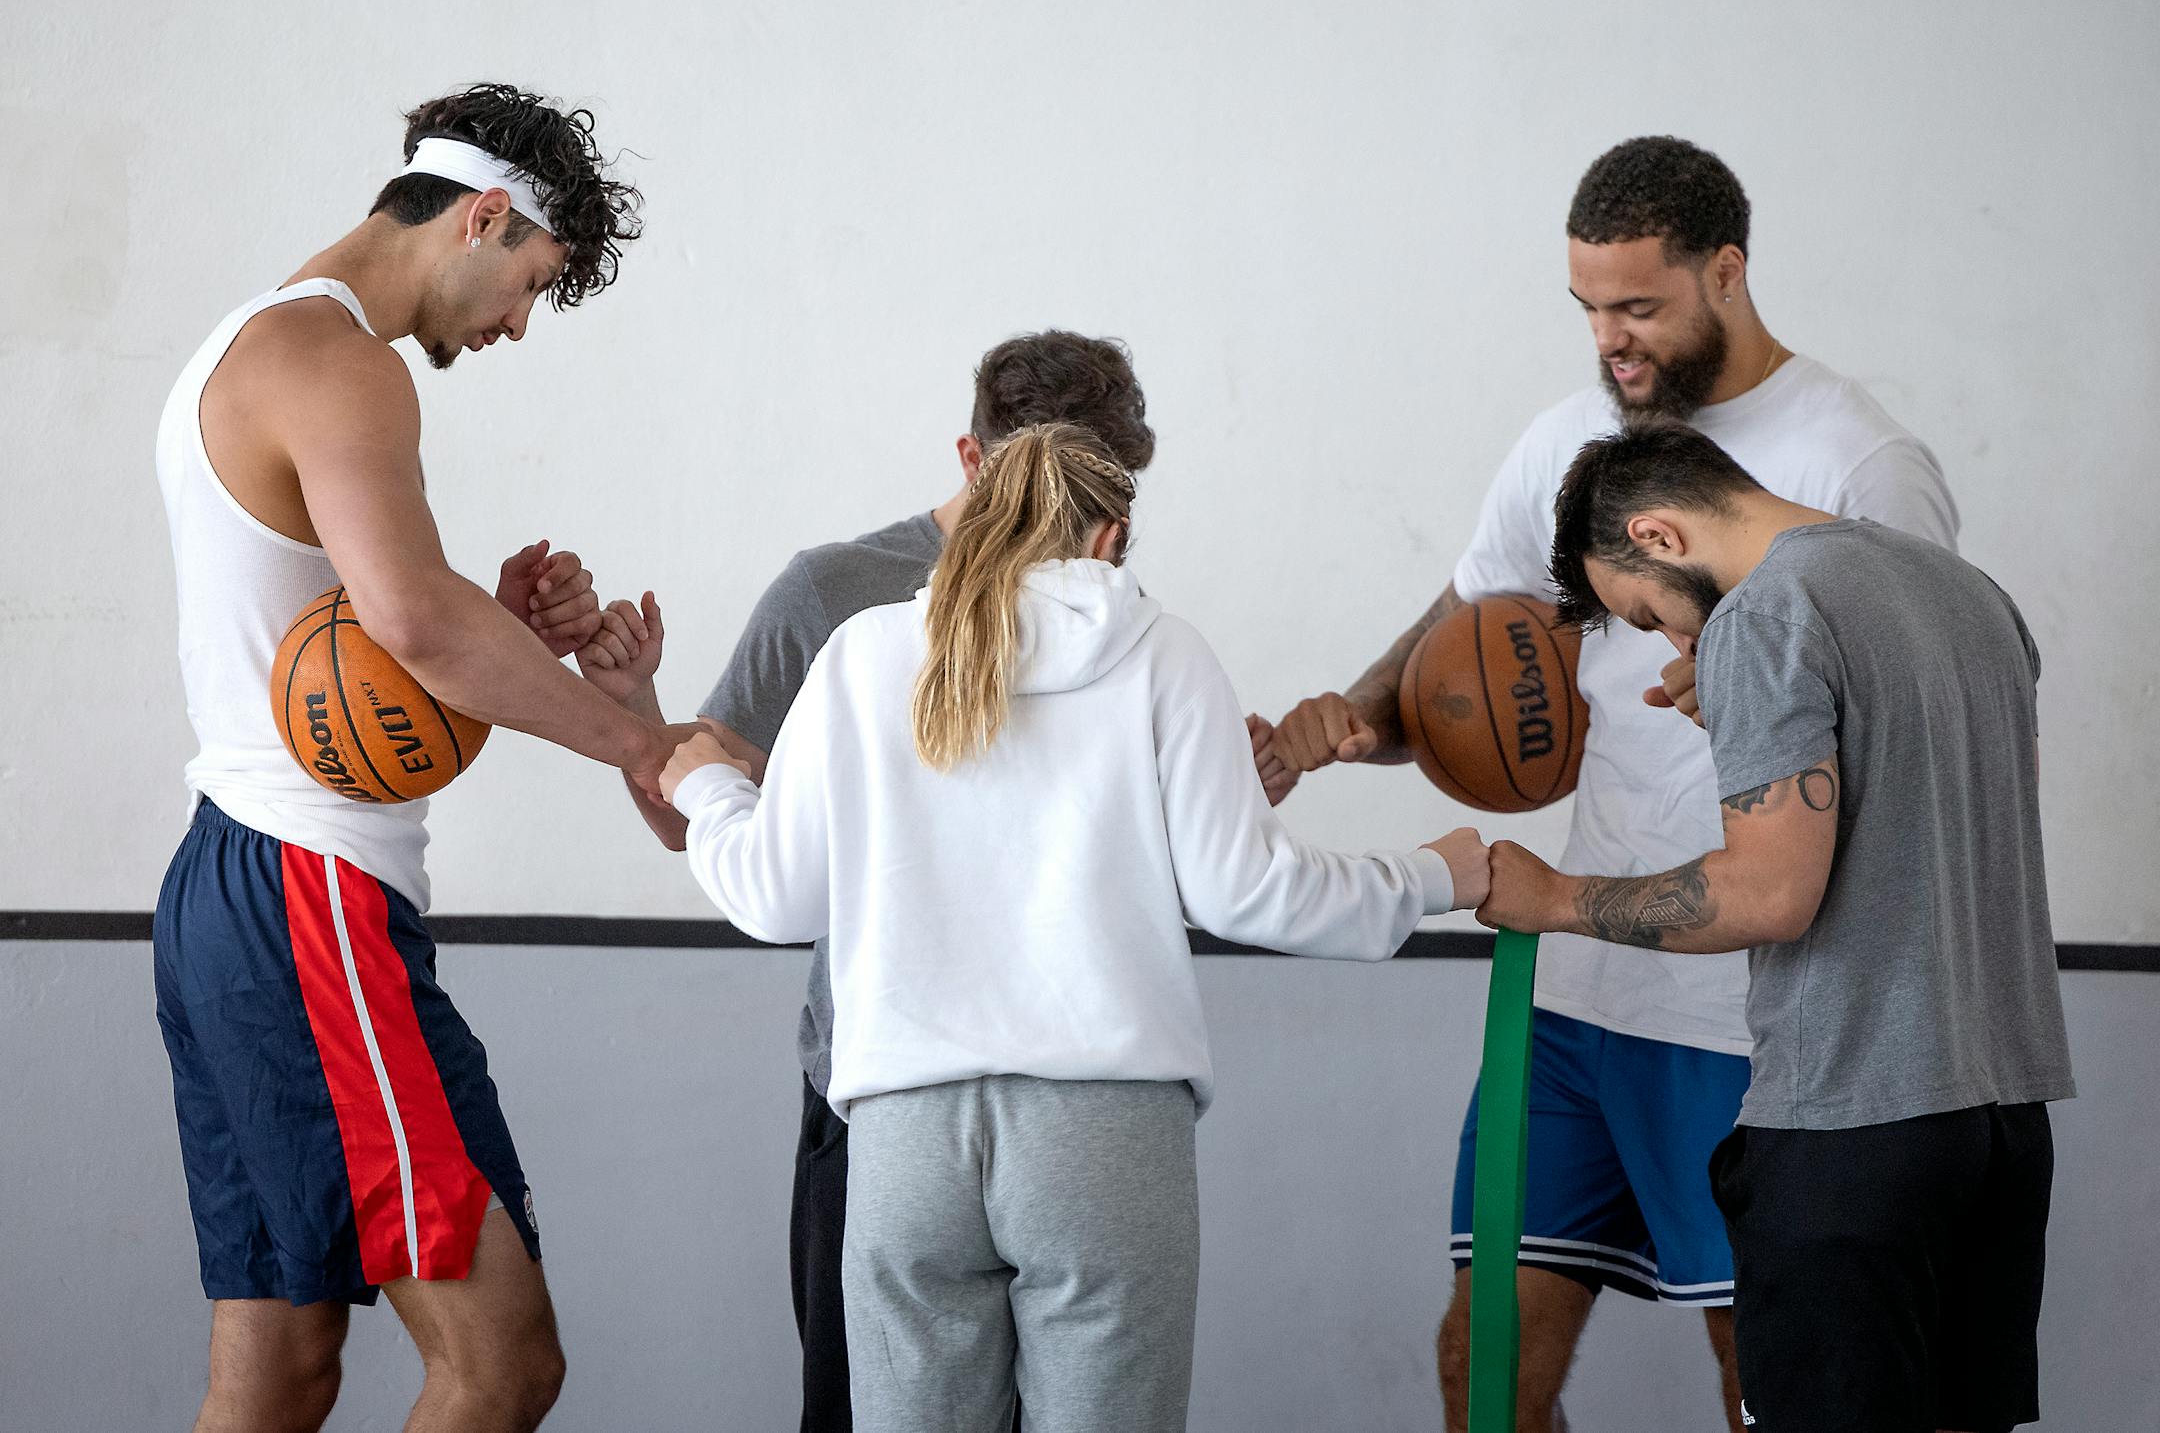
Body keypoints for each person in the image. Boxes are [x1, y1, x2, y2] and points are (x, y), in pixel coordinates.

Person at [1254, 136, 1959, 1430]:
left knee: (1769, 1383)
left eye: (1638, 306)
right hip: (1574, 998)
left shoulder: (1856, 463)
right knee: (1485, 1367)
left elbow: (1916, 719)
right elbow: (1473, 638)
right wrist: (1347, 724)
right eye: (1588, 308)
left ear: (1727, 271)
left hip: (1758, 1020)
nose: (1611, 341)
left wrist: (1753, 686)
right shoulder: (1570, 436)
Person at [643, 422, 1491, 1433]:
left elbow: (774, 897)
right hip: (1103, 1132)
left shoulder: (863, 655)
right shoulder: (1162, 653)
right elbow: (1248, 890)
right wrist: (1436, 874)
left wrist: (710, 796)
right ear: (1107, 537)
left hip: (904, 1137)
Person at [152, 82, 692, 1433]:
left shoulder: (248, 346)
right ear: (484, 216)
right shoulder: (342, 360)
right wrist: (642, 744)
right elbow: (405, 620)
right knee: (503, 1362)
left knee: (277, 1374)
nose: (515, 324)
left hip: (230, 883)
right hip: (308, 900)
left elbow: (359, 640)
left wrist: (494, 625)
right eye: (529, 284)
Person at [577, 330, 1160, 1432]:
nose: (1075, 529)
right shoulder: (839, 595)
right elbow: (697, 808)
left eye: (1094, 502)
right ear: (971, 458)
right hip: (877, 1098)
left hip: (1064, 1101)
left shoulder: (1109, 602)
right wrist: (638, 713)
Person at [1478, 420, 2074, 1433]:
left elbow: (1766, 893)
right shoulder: (1970, 594)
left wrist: (1554, 898)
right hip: (2003, 1121)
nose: (1676, 643)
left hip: (1853, 1124)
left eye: (1648, 612)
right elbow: (1914, 813)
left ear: (1660, 535)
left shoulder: (1765, 614)